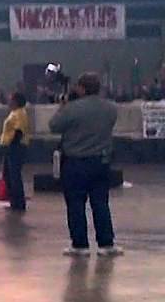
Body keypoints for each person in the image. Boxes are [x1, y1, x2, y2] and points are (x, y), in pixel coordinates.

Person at [50, 72, 121, 257]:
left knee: (75, 204)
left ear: (81, 88)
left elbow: (54, 126)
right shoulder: (110, 108)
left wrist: (64, 106)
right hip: (101, 161)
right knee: (100, 203)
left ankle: (80, 245)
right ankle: (106, 243)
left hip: (75, 162)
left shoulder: (72, 109)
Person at [0, 92, 31, 212]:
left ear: (16, 101)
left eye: (10, 99)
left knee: (14, 175)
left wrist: (11, 144)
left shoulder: (20, 113)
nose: (9, 101)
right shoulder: (15, 113)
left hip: (16, 147)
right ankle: (14, 200)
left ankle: (18, 202)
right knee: (8, 175)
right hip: (11, 146)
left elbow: (19, 131)